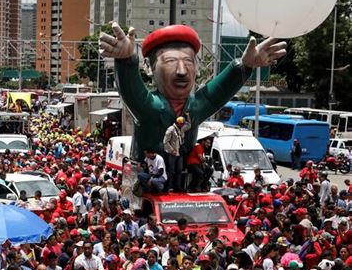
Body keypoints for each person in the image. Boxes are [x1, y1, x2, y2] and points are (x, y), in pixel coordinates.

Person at [99, 22, 286, 163]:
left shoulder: (195, 107)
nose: (182, 71)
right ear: (149, 67)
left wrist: (245, 66)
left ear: (197, 67)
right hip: (149, 182)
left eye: (188, 62)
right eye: (171, 61)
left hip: (186, 181)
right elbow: (132, 92)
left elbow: (219, 92)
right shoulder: (150, 107)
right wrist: (126, 62)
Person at [163, 114, 191, 192]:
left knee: (179, 170)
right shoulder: (170, 129)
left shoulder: (181, 129)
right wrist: (172, 150)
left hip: (180, 153)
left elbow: (189, 125)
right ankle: (169, 186)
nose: (183, 125)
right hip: (173, 153)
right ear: (178, 123)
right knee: (171, 170)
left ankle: (177, 186)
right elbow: (165, 142)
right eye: (182, 124)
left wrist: (188, 116)